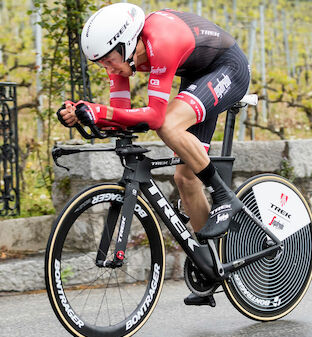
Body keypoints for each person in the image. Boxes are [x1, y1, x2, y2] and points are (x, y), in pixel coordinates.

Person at [57, 3, 250, 307]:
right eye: (101, 64)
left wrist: (98, 111)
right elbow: (120, 114)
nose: (108, 69)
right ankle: (210, 266)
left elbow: (156, 118)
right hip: (197, 76)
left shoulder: (162, 40)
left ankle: (225, 197)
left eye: (109, 61)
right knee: (185, 177)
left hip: (228, 68)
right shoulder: (122, 57)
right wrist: (84, 113)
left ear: (127, 44)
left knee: (170, 125)